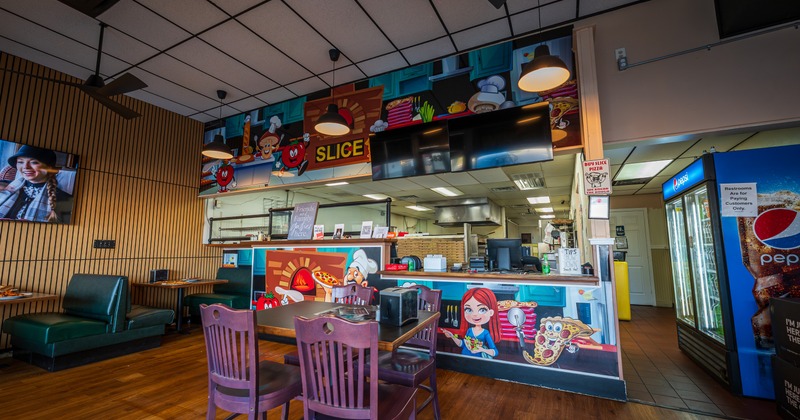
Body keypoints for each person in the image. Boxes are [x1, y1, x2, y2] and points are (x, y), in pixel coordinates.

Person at [0, 145, 71, 222]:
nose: (25, 167)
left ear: (49, 167)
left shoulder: (64, 200)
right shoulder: (5, 187)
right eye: (20, 162)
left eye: (34, 162)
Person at [443, 287, 501, 359]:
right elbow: (462, 344)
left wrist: (482, 349)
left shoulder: (485, 333)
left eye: (482, 310)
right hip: (464, 357)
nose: (475, 314)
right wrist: (452, 336)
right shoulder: (469, 330)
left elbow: (495, 352)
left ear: (491, 312)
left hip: (478, 359)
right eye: (469, 310)